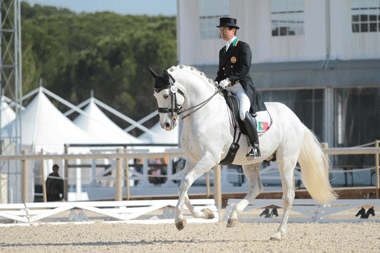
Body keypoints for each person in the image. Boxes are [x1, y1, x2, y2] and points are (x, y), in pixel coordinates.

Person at [215, 17, 267, 158]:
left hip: (240, 87)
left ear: (234, 30)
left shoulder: (243, 47)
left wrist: (229, 80)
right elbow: (221, 72)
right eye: (221, 30)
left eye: (225, 30)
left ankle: (255, 146)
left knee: (243, 113)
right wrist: (216, 82)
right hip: (226, 87)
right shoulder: (222, 51)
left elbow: (244, 68)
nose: (223, 33)